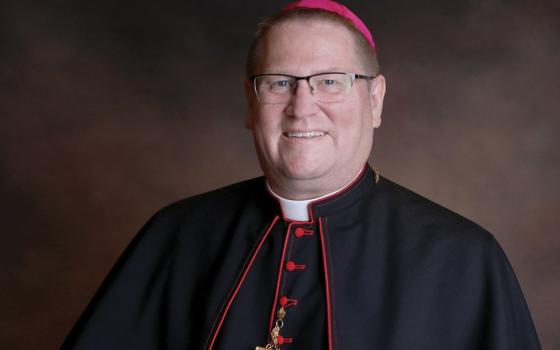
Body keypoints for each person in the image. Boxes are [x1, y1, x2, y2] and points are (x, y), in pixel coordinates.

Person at [61, 1, 541, 349]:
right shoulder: (175, 236)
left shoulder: (463, 257)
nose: (301, 107)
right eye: (279, 83)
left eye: (330, 82)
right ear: (251, 104)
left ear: (374, 100)